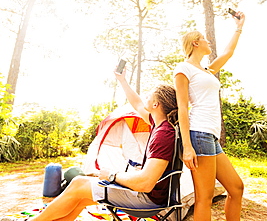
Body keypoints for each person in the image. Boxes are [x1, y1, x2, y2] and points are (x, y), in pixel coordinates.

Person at [30, 67, 178, 221]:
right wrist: (123, 81)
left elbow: (145, 183)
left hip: (146, 200)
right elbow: (137, 104)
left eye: (148, 96)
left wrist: (112, 176)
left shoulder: (163, 134)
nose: (144, 98)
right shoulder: (159, 124)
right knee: (81, 198)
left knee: (79, 183)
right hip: (146, 195)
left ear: (156, 105)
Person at [174, 10, 245, 221]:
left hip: (211, 137)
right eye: (204, 39)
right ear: (195, 43)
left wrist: (239, 26)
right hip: (198, 133)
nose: (209, 41)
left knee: (236, 188)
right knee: (204, 198)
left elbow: (228, 52)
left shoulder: (206, 70)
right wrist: (187, 146)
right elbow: (182, 108)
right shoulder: (183, 69)